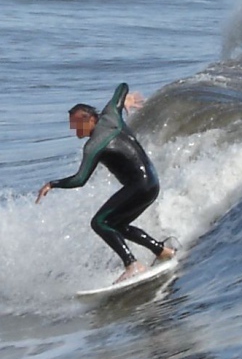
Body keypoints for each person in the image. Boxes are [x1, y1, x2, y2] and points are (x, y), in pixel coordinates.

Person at [37, 82, 175, 280]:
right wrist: (125, 100)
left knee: (100, 223)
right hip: (152, 183)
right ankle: (162, 251)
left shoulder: (94, 145)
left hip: (139, 187)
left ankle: (132, 264)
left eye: (77, 125)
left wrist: (52, 184)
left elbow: (80, 180)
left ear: (90, 120)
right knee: (117, 225)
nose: (74, 130)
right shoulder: (111, 114)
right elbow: (122, 87)